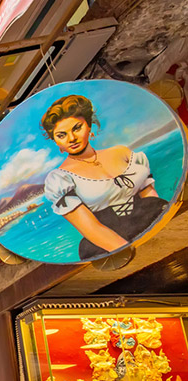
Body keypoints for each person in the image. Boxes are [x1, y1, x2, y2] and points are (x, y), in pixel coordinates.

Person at [41, 94, 167, 260]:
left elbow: (149, 196)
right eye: (61, 135)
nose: (71, 139)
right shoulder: (60, 179)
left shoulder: (121, 152)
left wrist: (163, 230)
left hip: (157, 223)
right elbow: (91, 228)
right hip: (110, 246)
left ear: (89, 126)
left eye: (76, 128)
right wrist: (132, 253)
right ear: (56, 141)